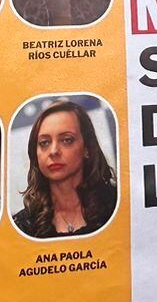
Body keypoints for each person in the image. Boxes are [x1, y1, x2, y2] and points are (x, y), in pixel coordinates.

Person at [12, 99, 118, 239]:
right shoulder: (23, 226)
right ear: (35, 154)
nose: (53, 151)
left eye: (66, 140)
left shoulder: (117, 203)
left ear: (87, 148)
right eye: (44, 143)